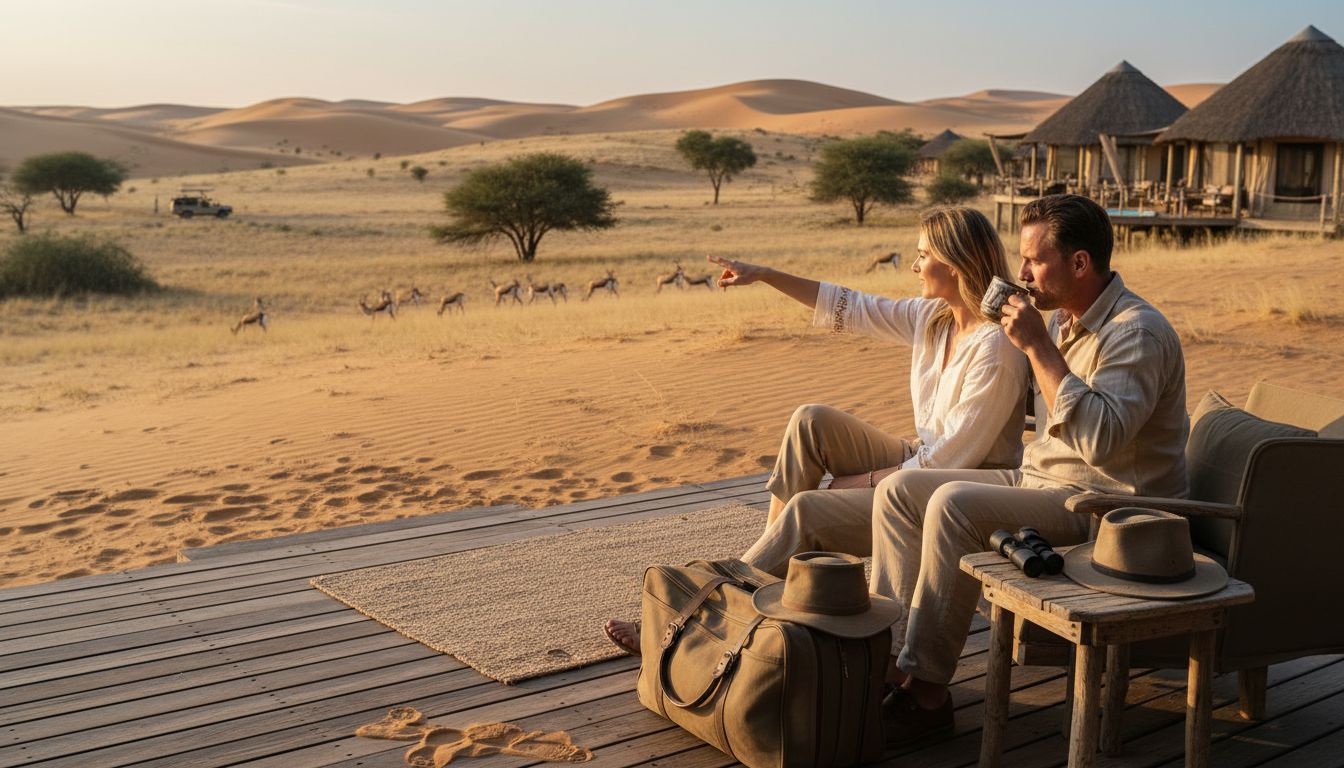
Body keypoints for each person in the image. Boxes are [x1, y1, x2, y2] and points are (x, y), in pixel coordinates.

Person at [604, 206, 1029, 654]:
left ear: (956, 262)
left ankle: (686, 621)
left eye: (923, 255)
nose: (913, 265)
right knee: (811, 421)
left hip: (960, 488)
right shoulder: (934, 318)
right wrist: (766, 274)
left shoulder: (996, 345)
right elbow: (851, 304)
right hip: (920, 459)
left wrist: (863, 480)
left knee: (808, 510)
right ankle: (769, 571)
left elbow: (950, 460)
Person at [871, 194, 1189, 746]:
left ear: (1080, 264)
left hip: (1109, 510)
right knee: (901, 492)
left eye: (1034, 261)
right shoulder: (1069, 319)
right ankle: (892, 664)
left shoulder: (1135, 332)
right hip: (1044, 482)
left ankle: (926, 696)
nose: (1019, 274)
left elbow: (1099, 440)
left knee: (953, 505)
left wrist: (1039, 348)